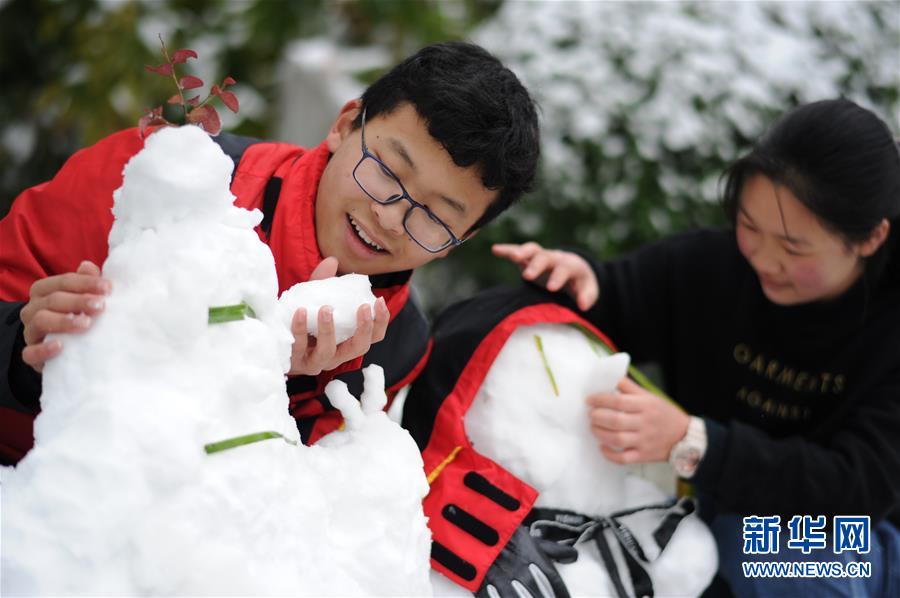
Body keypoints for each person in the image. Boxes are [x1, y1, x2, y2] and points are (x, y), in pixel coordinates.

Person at [0, 41, 540, 463]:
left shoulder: (395, 347)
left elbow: (273, 509)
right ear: (345, 124)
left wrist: (288, 381)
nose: (391, 217)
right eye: (388, 170)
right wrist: (25, 354)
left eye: (435, 216)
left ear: (457, 243)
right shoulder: (162, 177)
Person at [493, 98, 900, 596]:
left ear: (870, 238)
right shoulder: (711, 267)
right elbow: (616, 297)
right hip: (697, 506)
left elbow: (859, 488)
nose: (765, 259)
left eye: (794, 248)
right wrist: (575, 280)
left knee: (782, 563)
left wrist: (695, 444)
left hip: (840, 535)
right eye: (750, 227)